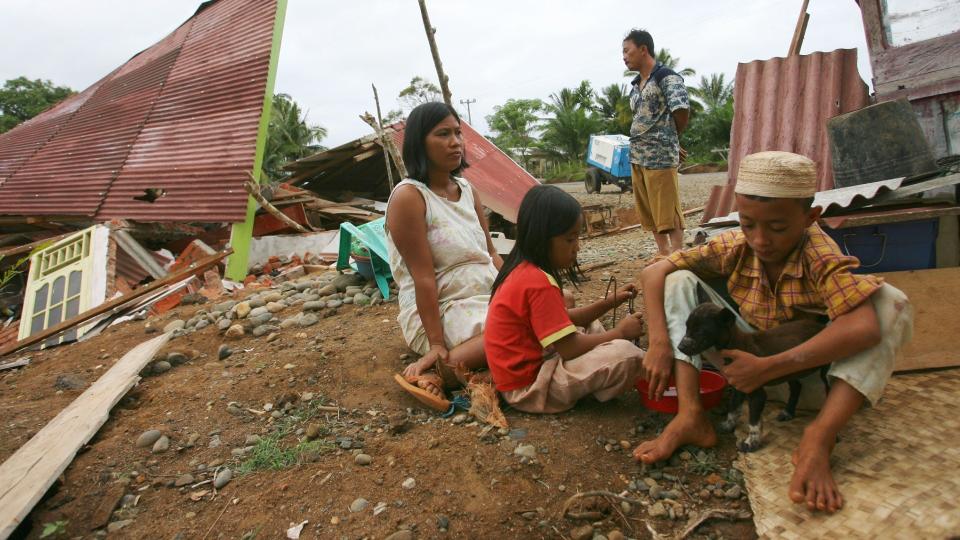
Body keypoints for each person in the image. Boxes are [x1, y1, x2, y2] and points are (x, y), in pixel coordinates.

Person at [633, 151, 913, 513]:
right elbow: (651, 273)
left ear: (811, 217)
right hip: (743, 372)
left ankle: (818, 437)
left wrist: (770, 368)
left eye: (777, 227)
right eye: (748, 224)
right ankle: (690, 414)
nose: (760, 239)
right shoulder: (736, 245)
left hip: (809, 379)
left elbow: (861, 327)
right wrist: (658, 343)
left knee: (890, 301)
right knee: (676, 277)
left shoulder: (819, 254)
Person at [484, 185, 646, 413]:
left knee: (588, 324)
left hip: (524, 374)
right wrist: (620, 333)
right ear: (543, 238)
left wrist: (609, 302)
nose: (577, 247)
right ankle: (601, 376)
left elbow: (564, 320)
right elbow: (569, 348)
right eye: (570, 240)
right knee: (628, 354)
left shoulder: (523, 269)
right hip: (530, 388)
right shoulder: (538, 282)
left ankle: (598, 369)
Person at [386, 102, 503, 410]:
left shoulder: (468, 190)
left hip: (485, 294)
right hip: (441, 306)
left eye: (458, 133)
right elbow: (423, 277)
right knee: (523, 328)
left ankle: (479, 377)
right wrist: (436, 343)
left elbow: (490, 254)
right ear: (419, 144)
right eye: (443, 134)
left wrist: (521, 289)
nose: (456, 142)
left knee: (556, 308)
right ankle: (440, 370)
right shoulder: (409, 197)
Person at [622, 28, 690, 258]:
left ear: (643, 49)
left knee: (667, 206)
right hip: (638, 155)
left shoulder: (666, 77)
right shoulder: (635, 85)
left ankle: (678, 253)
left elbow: (681, 111)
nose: (624, 56)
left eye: (627, 51)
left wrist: (670, 140)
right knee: (650, 208)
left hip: (660, 156)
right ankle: (663, 252)